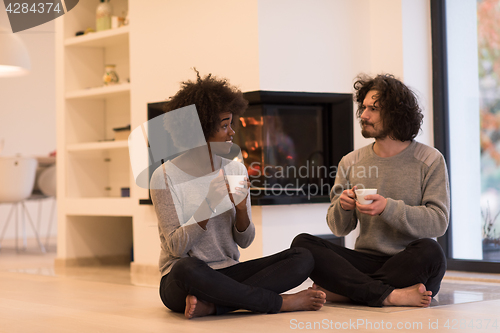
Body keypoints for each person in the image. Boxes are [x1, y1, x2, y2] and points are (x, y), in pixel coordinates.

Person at [150, 70, 326, 319]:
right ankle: (278, 303)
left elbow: (244, 242)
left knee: (302, 257)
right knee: (185, 268)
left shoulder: (235, 169)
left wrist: (242, 209)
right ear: (198, 132)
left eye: (231, 123)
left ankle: (216, 305)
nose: (232, 132)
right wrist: (208, 204)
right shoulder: (164, 176)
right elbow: (176, 248)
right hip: (184, 279)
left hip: (230, 271)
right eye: (224, 126)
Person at [292, 73, 450, 307]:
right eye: (364, 108)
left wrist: (387, 207)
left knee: (431, 251)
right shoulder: (351, 162)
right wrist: (344, 207)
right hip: (365, 260)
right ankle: (390, 295)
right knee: (302, 244)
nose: (364, 115)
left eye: (373, 109)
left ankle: (350, 292)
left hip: (409, 262)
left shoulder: (429, 159)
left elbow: (438, 222)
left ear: (396, 114)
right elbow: (339, 228)